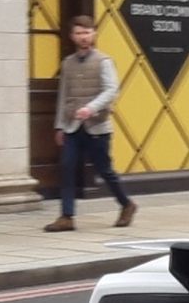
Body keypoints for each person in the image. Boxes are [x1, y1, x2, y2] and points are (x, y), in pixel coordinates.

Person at [46, 14, 135, 232]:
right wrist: (60, 126)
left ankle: (126, 204)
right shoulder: (67, 63)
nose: (83, 37)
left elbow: (112, 89)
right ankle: (67, 216)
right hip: (72, 127)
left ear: (94, 34)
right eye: (79, 33)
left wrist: (91, 108)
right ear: (72, 36)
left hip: (97, 127)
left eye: (87, 32)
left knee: (104, 170)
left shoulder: (104, 61)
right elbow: (64, 95)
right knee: (66, 168)